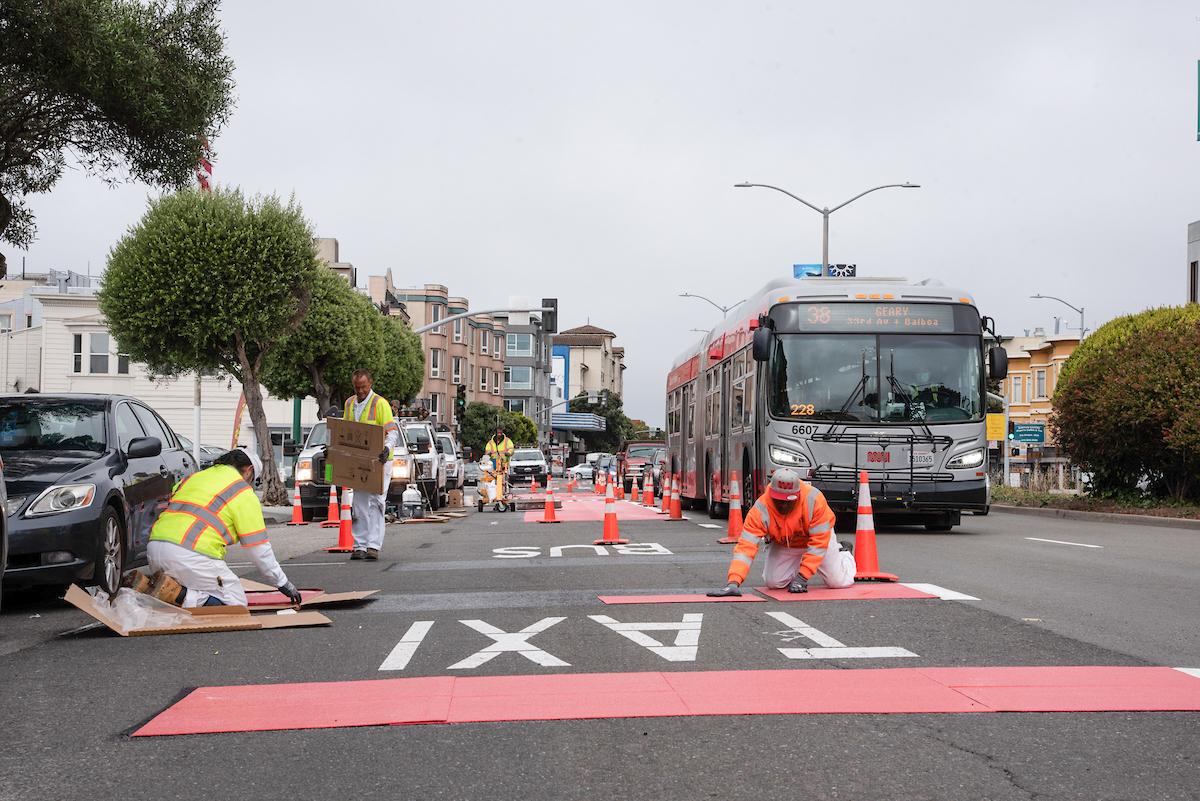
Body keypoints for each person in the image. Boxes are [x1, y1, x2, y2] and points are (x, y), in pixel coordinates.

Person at [147, 448, 301, 607]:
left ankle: (151, 587)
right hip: (190, 556)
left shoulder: (193, 478)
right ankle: (179, 595)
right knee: (236, 603)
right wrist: (282, 582)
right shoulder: (242, 491)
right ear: (249, 471)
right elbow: (259, 549)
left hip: (154, 549)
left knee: (201, 586)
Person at [708, 468, 856, 597]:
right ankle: (798, 565)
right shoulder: (761, 509)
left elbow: (818, 544)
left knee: (838, 582)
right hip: (786, 543)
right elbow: (745, 547)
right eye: (780, 500)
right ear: (771, 493)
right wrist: (734, 581)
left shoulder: (814, 500)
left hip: (819, 542)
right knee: (773, 582)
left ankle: (844, 553)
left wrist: (802, 577)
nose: (784, 505)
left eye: (789, 501)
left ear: (798, 494)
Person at [343, 368, 400, 561]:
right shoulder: (349, 403)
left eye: (364, 388)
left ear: (371, 384)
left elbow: (392, 431)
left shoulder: (380, 404)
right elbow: (345, 431)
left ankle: (373, 545)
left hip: (380, 461)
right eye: (357, 388)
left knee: (376, 502)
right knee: (358, 504)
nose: (360, 392)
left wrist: (386, 448)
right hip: (360, 462)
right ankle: (359, 545)